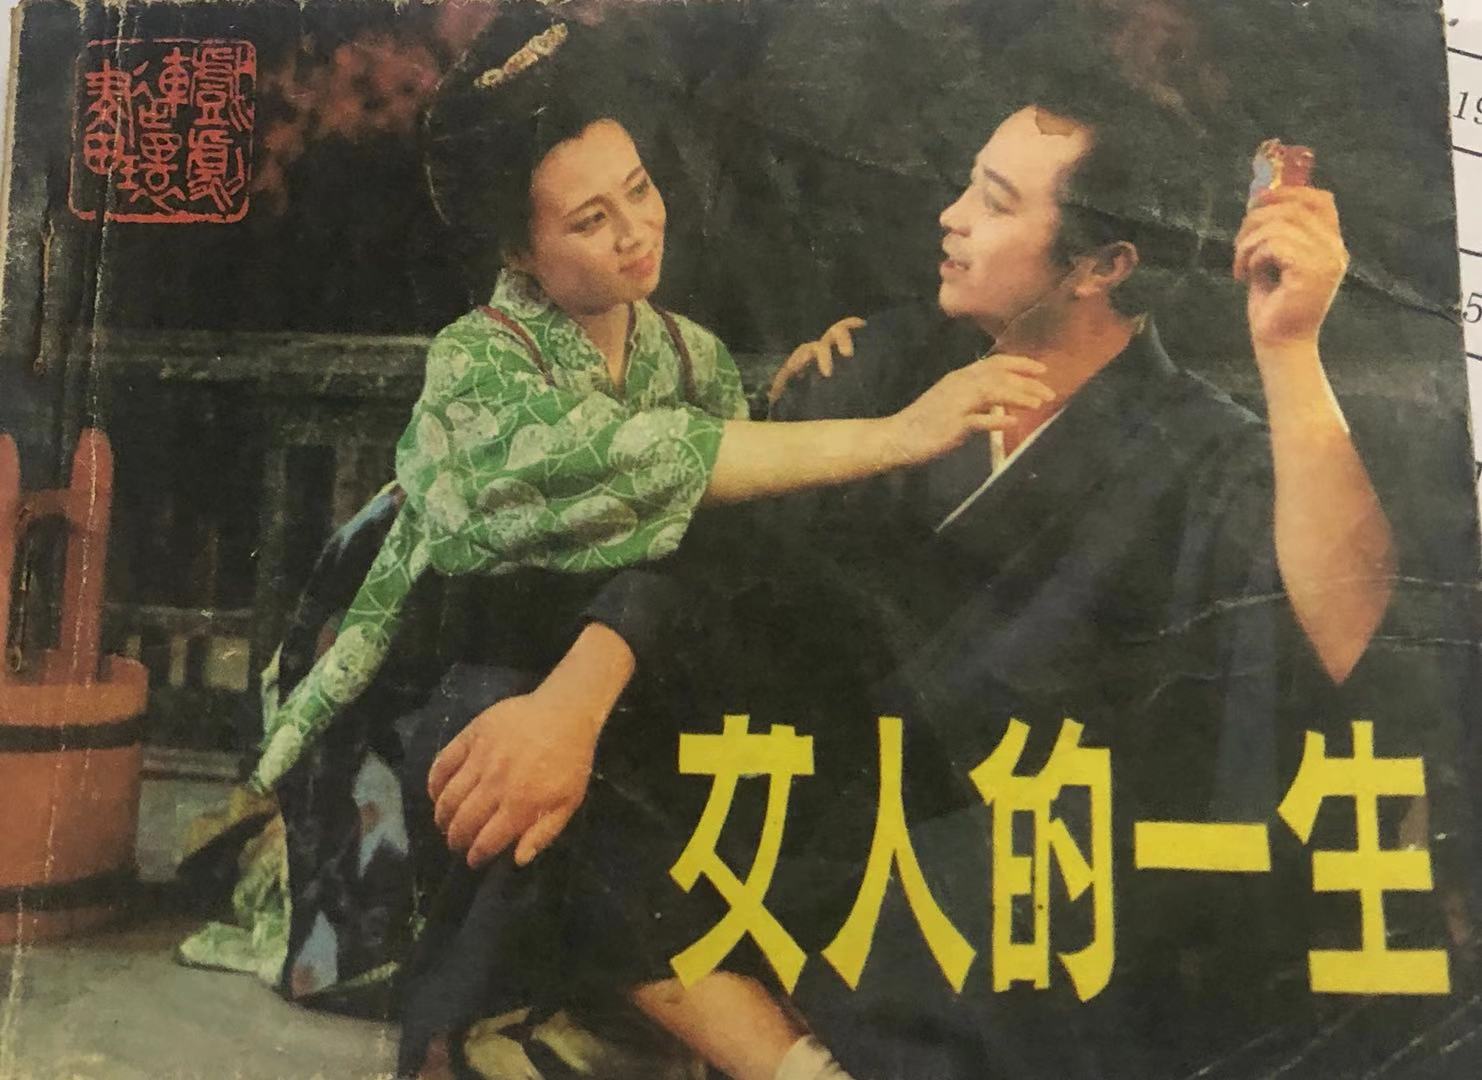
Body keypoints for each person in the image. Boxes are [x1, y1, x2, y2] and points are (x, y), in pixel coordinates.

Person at [422, 50, 1401, 1079]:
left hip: (999, 862)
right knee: (492, 720)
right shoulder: (887, 363)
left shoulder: (1194, 445)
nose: (950, 218)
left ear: (1103, 265)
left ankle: (713, 1032)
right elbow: (711, 557)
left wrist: (1290, 351)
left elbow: (1349, 632)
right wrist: (571, 705)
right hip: (817, 810)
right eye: (967, 185)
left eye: (994, 202)